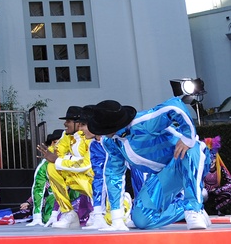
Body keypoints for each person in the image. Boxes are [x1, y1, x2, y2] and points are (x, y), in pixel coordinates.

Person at [85, 97, 211, 230]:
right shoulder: (111, 142)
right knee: (142, 220)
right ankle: (191, 204)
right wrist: (117, 218)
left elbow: (175, 105)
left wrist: (188, 137)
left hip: (189, 159)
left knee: (191, 149)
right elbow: (113, 174)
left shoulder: (144, 122)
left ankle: (194, 209)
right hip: (163, 174)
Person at [37, 106, 93, 229]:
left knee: (112, 218)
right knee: (52, 168)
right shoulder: (67, 136)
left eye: (68, 121)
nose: (65, 124)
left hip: (98, 181)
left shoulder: (89, 136)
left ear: (78, 123)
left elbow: (86, 164)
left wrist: (60, 159)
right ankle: (68, 213)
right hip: (80, 178)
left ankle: (117, 205)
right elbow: (56, 154)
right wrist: (55, 157)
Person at [24, 129, 63, 226]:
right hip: (55, 198)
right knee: (49, 217)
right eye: (54, 142)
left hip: (77, 196)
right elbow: (38, 188)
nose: (57, 146)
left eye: (60, 142)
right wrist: (37, 216)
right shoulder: (44, 165)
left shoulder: (75, 158)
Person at [203, 136, 231, 215]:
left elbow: (230, 182)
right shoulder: (201, 169)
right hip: (204, 192)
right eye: (209, 158)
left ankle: (217, 208)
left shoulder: (220, 169)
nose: (211, 161)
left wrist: (219, 190)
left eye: (213, 158)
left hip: (216, 192)